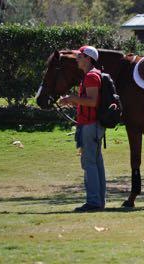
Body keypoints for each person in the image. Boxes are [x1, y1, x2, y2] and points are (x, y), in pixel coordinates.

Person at [59, 45, 106, 212]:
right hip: (92, 125)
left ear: (88, 58)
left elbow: (92, 101)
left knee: (89, 163)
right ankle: (99, 201)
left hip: (90, 125)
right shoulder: (92, 75)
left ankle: (93, 202)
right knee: (96, 162)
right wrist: (73, 100)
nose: (77, 58)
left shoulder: (92, 77)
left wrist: (73, 98)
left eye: (80, 56)